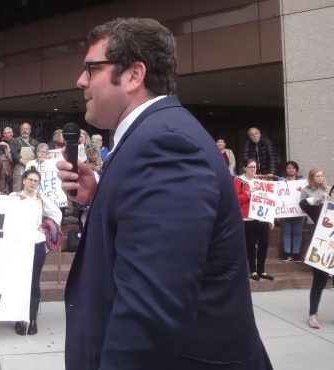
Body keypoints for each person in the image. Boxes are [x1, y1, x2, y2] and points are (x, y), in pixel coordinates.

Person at [56, 17, 271, 369]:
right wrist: (100, 196)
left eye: (91, 68)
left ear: (133, 75)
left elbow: (149, 315)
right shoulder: (154, 136)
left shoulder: (165, 144)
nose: (80, 80)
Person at [11, 169, 61, 336]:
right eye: (30, 179)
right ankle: (20, 317)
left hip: (36, 244)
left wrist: (46, 226)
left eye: (36, 181)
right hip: (18, 245)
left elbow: (57, 214)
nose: (33, 183)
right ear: (23, 180)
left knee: (34, 281)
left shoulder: (40, 199)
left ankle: (32, 320)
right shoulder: (13, 196)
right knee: (19, 280)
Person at [235, 159, 275, 281]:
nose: (253, 169)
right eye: (251, 167)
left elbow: (269, 199)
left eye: (255, 167)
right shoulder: (239, 181)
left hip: (261, 216)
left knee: (264, 243)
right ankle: (253, 270)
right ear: (244, 168)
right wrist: (247, 193)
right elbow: (235, 199)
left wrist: (270, 218)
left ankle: (261, 270)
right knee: (250, 244)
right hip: (247, 217)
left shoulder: (260, 181)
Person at [304, 179, 334, 330]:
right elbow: (303, 204)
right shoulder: (320, 210)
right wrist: (318, 200)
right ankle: (313, 314)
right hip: (322, 254)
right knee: (318, 283)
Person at [279, 161, 304, 262]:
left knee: (298, 232)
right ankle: (287, 253)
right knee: (286, 232)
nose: (291, 170)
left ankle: (296, 253)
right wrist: (282, 183)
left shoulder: (302, 181)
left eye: (293, 168)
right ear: (285, 169)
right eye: (288, 168)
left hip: (299, 211)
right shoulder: (281, 180)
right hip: (285, 211)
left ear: (297, 170)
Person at [10, 123, 38, 192]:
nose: (25, 130)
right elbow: (14, 155)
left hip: (32, 168)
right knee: (18, 190)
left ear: (30, 131)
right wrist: (26, 163)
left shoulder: (35, 142)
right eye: (23, 129)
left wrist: (31, 164)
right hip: (20, 169)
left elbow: (38, 154)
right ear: (20, 130)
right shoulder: (15, 141)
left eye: (27, 129)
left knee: (32, 189)